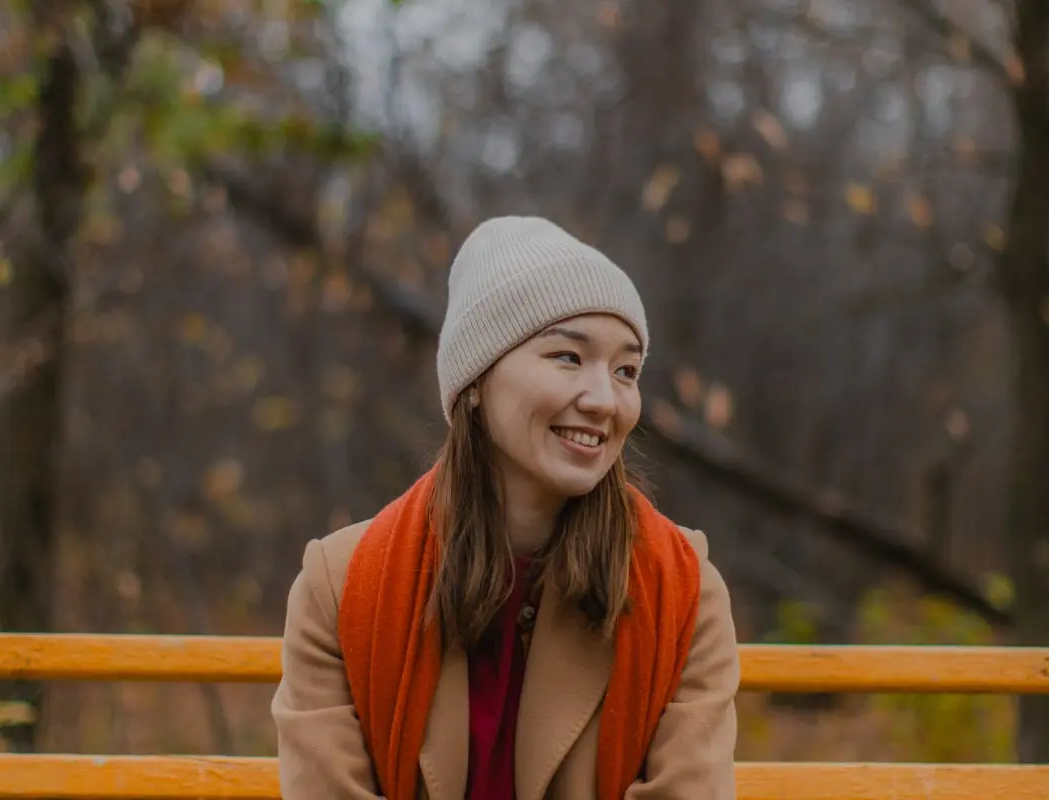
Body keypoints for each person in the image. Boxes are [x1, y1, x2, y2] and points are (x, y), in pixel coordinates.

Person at [271, 216, 740, 799]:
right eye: (568, 357)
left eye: (625, 370)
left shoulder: (683, 592)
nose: (603, 399)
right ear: (475, 383)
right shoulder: (342, 589)